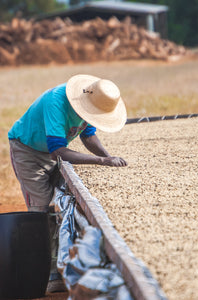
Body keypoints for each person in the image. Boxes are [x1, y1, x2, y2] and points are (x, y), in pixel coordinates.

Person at [8, 74, 128, 293]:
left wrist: (110, 159)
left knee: (61, 207)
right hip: (28, 151)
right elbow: (58, 150)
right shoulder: (57, 101)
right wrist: (101, 161)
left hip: (51, 150)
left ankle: (61, 264)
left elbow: (88, 137)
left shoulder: (89, 107)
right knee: (42, 209)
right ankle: (50, 274)